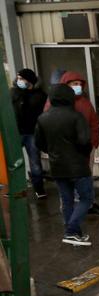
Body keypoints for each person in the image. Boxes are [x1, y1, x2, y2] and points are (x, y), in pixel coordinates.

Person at [35, 84, 93, 246]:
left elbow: (39, 143)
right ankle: (72, 231)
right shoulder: (76, 116)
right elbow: (84, 141)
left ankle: (74, 235)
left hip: (57, 165)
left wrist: (52, 152)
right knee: (86, 199)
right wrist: (83, 154)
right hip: (78, 165)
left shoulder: (43, 118)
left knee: (66, 200)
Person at [46, 71, 99, 216]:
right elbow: (48, 126)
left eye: (80, 84)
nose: (78, 87)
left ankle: (88, 204)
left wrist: (93, 143)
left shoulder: (85, 103)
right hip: (65, 151)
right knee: (67, 182)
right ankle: (69, 209)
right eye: (75, 84)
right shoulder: (54, 103)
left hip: (86, 148)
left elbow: (94, 123)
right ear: (66, 85)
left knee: (86, 178)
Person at [10, 68, 47, 199]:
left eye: (22, 78)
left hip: (32, 133)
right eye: (18, 78)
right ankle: (17, 189)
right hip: (16, 133)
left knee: (35, 162)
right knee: (14, 162)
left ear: (29, 81)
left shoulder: (40, 96)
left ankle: (39, 189)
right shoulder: (14, 93)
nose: (19, 81)